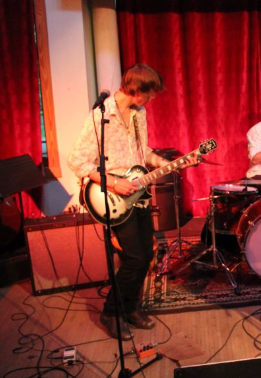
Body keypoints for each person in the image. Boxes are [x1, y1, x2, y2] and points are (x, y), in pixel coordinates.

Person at [68, 63, 194, 340]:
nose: (151, 99)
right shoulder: (100, 116)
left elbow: (142, 152)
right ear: (137, 90)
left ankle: (130, 307)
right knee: (135, 257)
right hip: (111, 196)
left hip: (138, 194)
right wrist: (112, 182)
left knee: (146, 254)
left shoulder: (140, 114)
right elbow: (77, 160)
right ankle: (111, 312)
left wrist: (168, 163)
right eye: (150, 94)